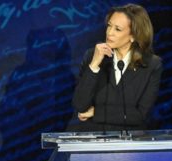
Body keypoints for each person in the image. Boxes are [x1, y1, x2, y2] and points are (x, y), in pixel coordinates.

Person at [68, 3, 162, 132]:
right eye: (109, 26)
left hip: (128, 144)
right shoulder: (92, 55)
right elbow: (80, 105)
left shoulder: (151, 65)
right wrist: (94, 65)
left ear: (134, 35)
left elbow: (139, 115)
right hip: (91, 139)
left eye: (117, 29)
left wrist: (97, 112)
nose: (109, 32)